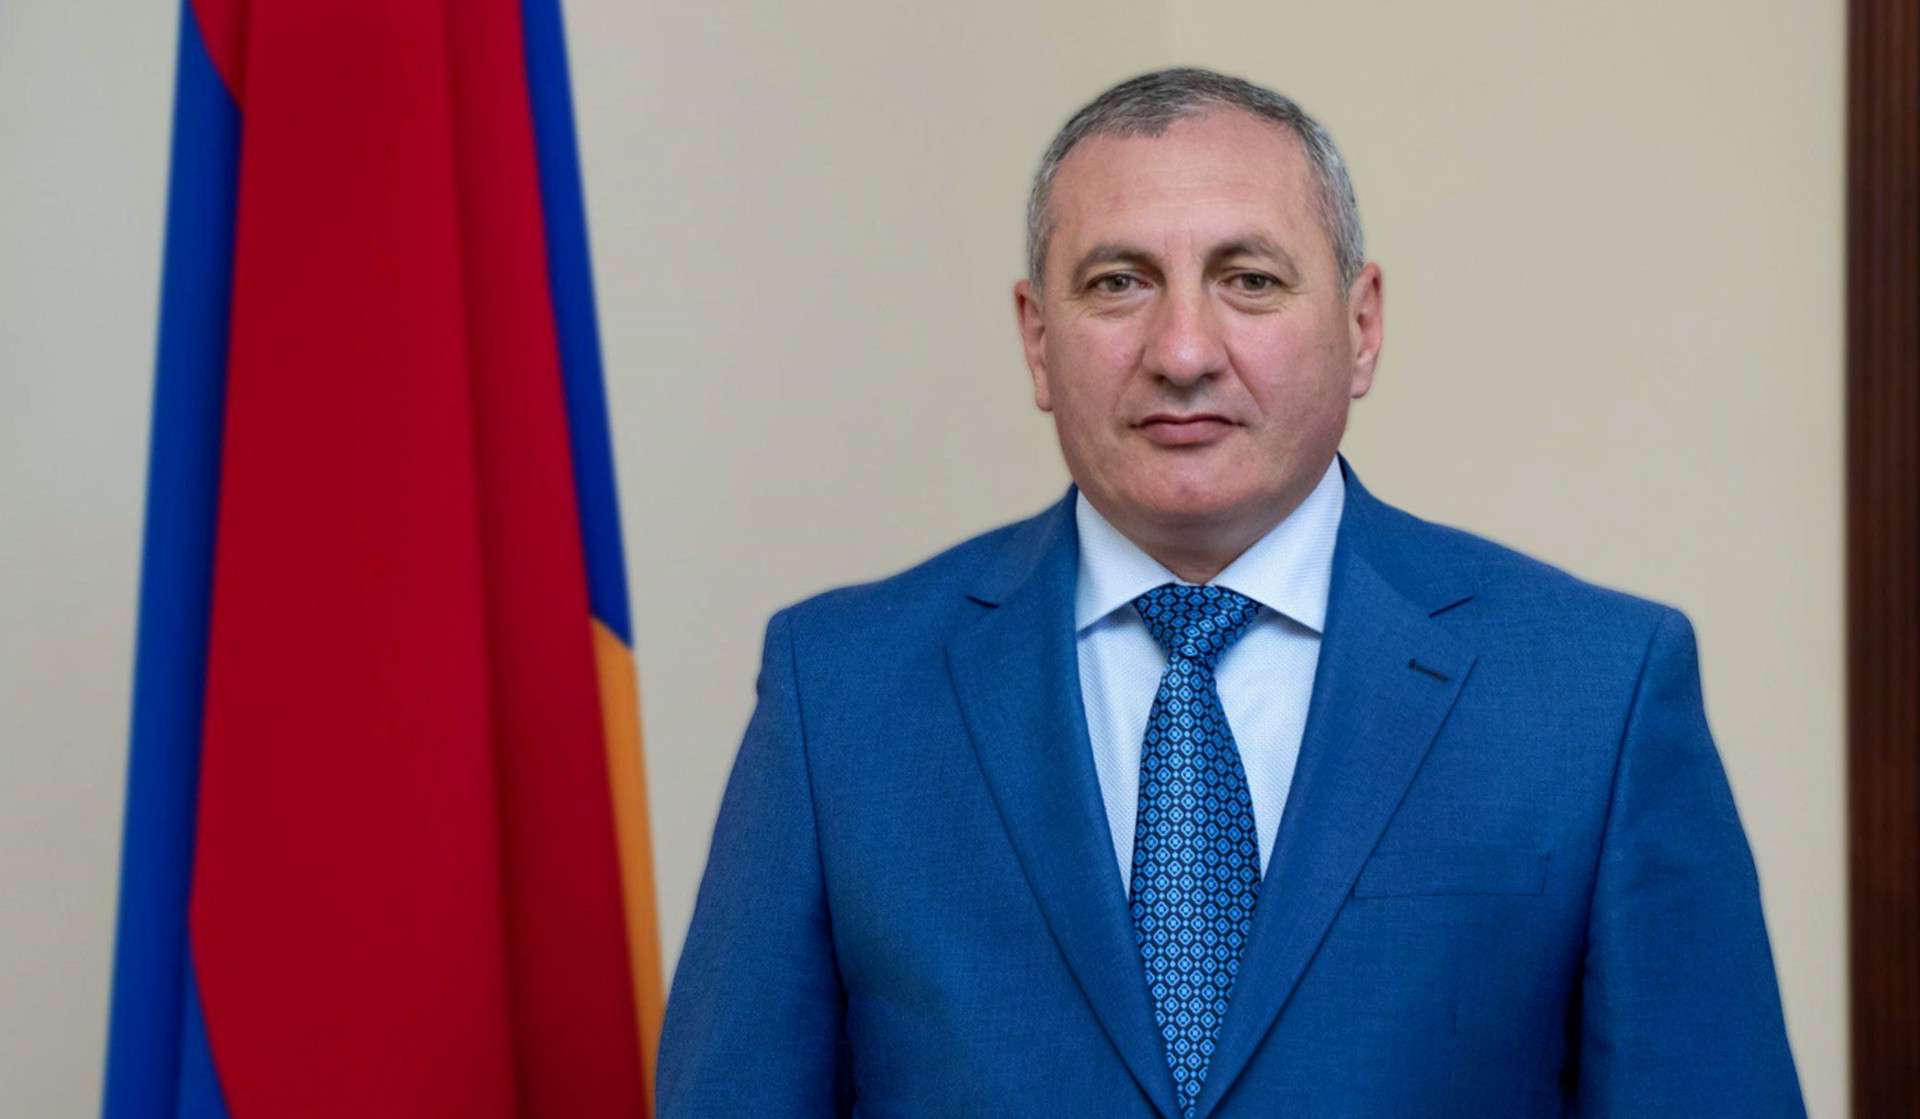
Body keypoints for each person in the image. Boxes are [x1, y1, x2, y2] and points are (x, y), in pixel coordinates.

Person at [655, 67, 1805, 1117]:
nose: (1184, 350)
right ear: (1037, 339)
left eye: (1250, 280)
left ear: (1361, 327)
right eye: (1119, 283)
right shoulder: (840, 694)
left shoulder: (1596, 694)